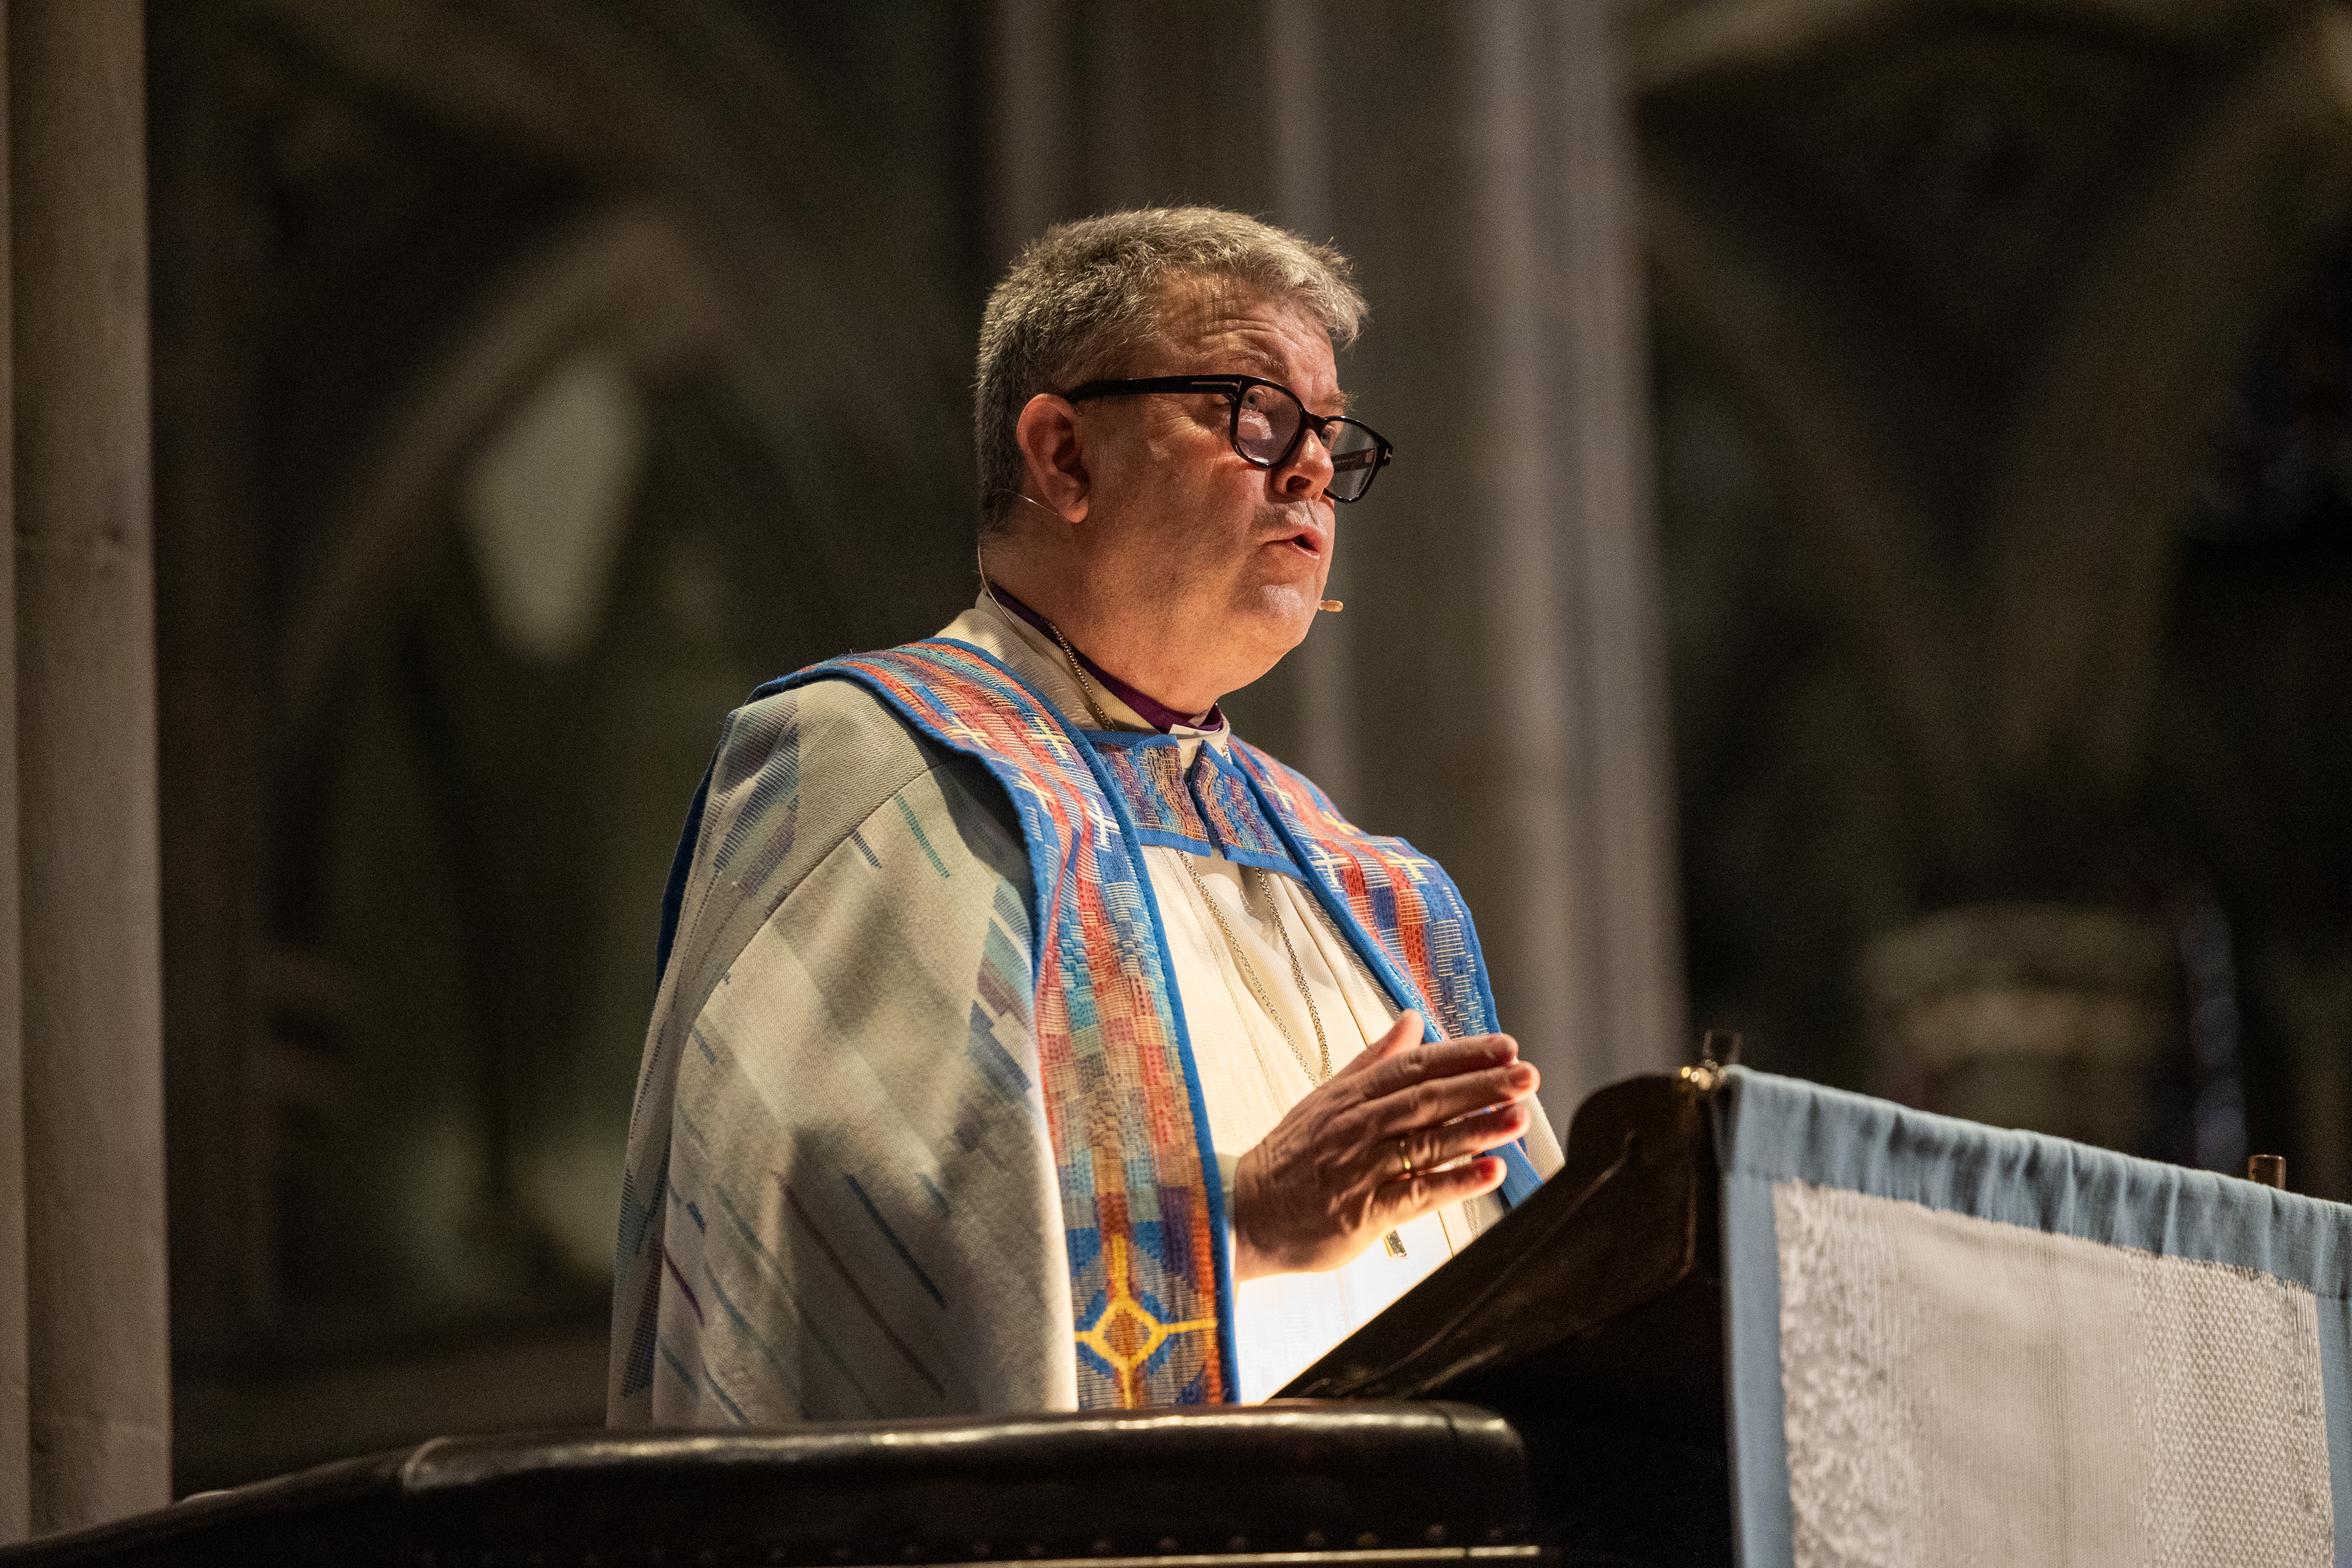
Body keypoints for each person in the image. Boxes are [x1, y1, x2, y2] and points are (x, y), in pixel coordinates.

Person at [608, 207, 1564, 1424]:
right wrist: (1240, 1222)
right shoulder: (876, 769)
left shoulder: (1367, 891)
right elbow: (812, 1261)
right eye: (1255, 413)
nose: (1314, 467)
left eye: (1331, 435)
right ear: (1062, 457)